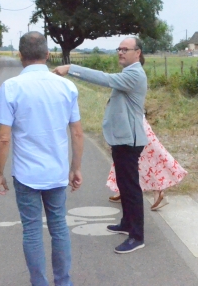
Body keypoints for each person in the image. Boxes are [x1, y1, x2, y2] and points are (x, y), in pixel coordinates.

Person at [0, 32, 83, 286]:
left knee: (32, 231)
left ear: (20, 56)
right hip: (56, 172)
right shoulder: (66, 86)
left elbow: (3, 138)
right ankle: (64, 282)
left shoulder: (11, 87)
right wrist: (75, 167)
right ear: (47, 54)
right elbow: (76, 131)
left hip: (26, 174)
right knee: (59, 227)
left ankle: (39, 283)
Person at [53, 37, 147, 254]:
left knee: (131, 188)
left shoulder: (134, 74)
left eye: (126, 49)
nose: (121, 52)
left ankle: (137, 236)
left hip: (128, 141)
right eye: (119, 49)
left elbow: (104, 79)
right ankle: (126, 223)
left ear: (138, 53)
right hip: (122, 139)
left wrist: (71, 68)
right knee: (124, 185)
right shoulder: (128, 73)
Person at [107, 116, 187, 211]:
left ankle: (157, 190)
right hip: (132, 120)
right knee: (142, 155)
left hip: (131, 121)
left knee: (135, 155)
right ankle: (123, 189)